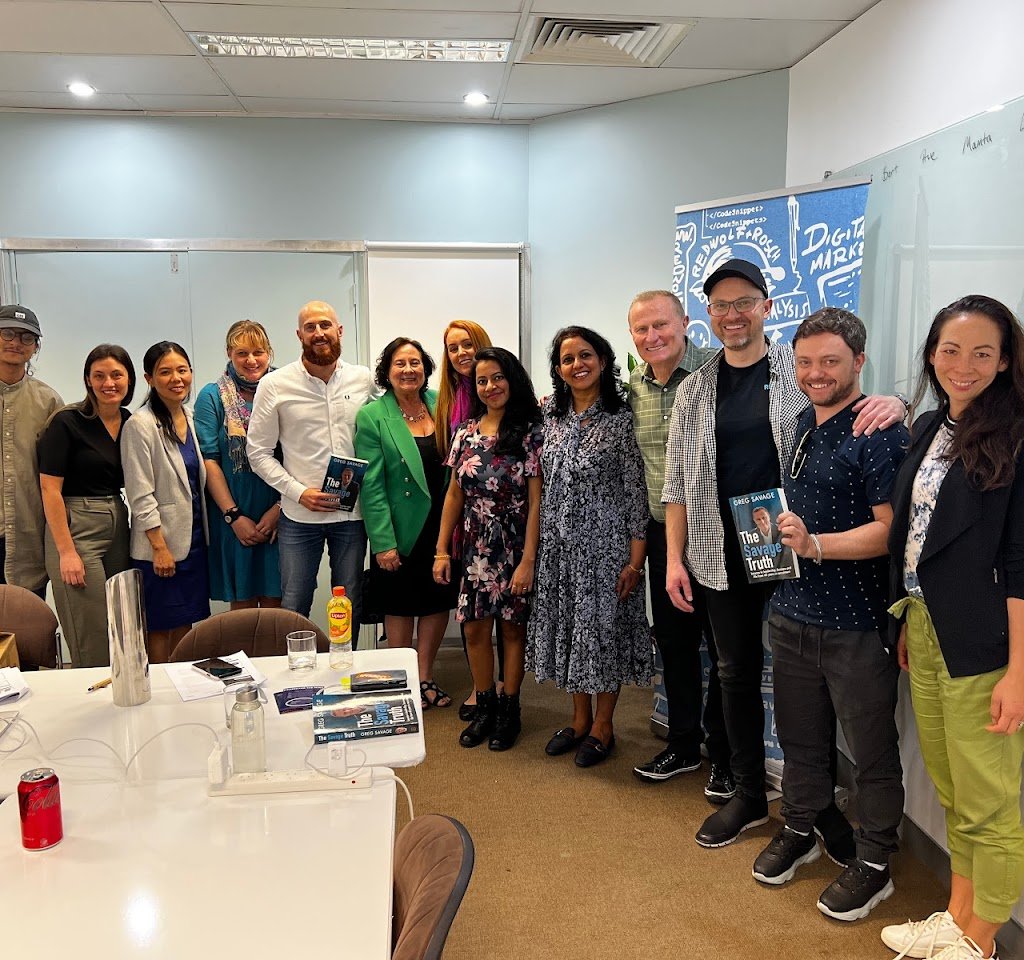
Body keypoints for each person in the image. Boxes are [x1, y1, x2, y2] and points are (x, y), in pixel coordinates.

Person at [662, 258, 906, 849]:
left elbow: (849, 403)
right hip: (721, 549)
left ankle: (817, 806)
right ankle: (748, 792)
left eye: (744, 302)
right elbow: (675, 483)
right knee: (736, 673)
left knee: (814, 683)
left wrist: (898, 402)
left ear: (765, 307)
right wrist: (672, 559)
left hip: (798, 549)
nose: (732, 314)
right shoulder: (695, 389)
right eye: (720, 305)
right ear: (708, 315)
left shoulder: (797, 372)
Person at [750, 309, 907, 923]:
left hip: (856, 626)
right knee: (801, 740)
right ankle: (801, 826)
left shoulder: (878, 431)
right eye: (806, 362)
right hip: (792, 612)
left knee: (872, 753)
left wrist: (816, 544)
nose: (816, 374)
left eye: (831, 362)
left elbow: (890, 531)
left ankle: (875, 862)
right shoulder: (799, 424)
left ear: (859, 362)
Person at [882, 295, 1024, 960]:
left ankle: (982, 940)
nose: (963, 365)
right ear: (932, 354)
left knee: (989, 800)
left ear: (1005, 362)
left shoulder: (1017, 437)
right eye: (950, 350)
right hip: (926, 625)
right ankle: (957, 918)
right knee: (952, 787)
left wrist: (1018, 672)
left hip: (984, 643)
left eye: (982, 353)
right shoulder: (930, 426)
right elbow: (915, 537)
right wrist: (908, 619)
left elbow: (1020, 564)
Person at [527, 326, 650, 768]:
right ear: (558, 369)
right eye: (567, 359)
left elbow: (635, 493)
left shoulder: (621, 418)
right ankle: (579, 720)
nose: (577, 365)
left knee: (602, 635)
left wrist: (635, 562)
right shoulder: (549, 415)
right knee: (572, 632)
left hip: (606, 552)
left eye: (585, 355)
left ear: (602, 360)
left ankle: (603, 725)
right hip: (559, 551)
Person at [626, 290, 732, 799]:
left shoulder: (720, 372)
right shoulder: (633, 389)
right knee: (675, 643)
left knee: (726, 649)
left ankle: (725, 754)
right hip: (661, 535)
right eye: (641, 329)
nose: (652, 337)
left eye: (661, 325)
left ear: (686, 322)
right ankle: (684, 744)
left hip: (717, 534)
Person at [433, 347, 543, 750]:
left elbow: (537, 502)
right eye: (482, 380)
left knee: (512, 630)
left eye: (498, 377)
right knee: (475, 628)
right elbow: (454, 495)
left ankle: (509, 709)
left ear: (512, 379)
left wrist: (528, 560)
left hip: (514, 544)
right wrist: (441, 550)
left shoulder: (531, 431)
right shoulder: (465, 432)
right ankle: (484, 706)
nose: (490, 386)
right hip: (475, 546)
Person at [247, 301, 376, 632]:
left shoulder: (364, 380)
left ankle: (343, 660)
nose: (319, 333)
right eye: (310, 327)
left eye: (325, 325)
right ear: (299, 335)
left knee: (350, 601)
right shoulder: (275, 385)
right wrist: (299, 492)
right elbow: (257, 453)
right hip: (299, 517)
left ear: (339, 330)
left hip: (352, 515)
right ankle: (298, 664)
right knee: (294, 602)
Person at [355, 338, 458, 709]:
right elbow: (371, 485)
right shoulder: (372, 415)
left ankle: (425, 676)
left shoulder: (442, 405)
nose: (408, 370)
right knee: (398, 604)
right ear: (387, 371)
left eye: (415, 363)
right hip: (399, 528)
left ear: (425, 369)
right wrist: (383, 542)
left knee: (435, 601)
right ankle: (401, 681)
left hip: (442, 526)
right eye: (400, 363)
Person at [38, 345, 135, 668]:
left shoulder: (130, 422)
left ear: (130, 379)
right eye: (99, 376)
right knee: (91, 634)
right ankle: (92, 694)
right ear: (88, 380)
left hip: (118, 522)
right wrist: (66, 552)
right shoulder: (67, 422)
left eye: (117, 375)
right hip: (76, 526)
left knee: (122, 625)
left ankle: (124, 693)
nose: (109, 383)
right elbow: (50, 489)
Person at [121, 342, 210, 663]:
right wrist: (159, 547)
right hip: (159, 546)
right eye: (165, 372)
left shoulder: (192, 416)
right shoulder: (140, 425)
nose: (176, 378)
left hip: (193, 541)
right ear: (149, 378)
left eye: (182, 370)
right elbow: (140, 494)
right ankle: (159, 685)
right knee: (159, 626)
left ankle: (182, 682)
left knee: (185, 622)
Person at [436, 319, 503, 720]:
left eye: (467, 344)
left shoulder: (499, 388)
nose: (461, 353)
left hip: (505, 521)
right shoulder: (447, 400)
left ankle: (503, 689)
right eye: (453, 348)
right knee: (472, 609)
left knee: (507, 614)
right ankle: (482, 688)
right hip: (467, 518)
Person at [195, 320, 282, 610]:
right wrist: (234, 516)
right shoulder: (212, 396)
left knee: (276, 609)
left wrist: (280, 510)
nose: (251, 360)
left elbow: (302, 453)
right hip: (233, 517)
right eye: (242, 353)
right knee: (241, 612)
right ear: (229, 353)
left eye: (258, 352)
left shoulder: (286, 389)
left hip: (280, 514)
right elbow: (209, 460)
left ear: (269, 352)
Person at [0, 304, 61, 596]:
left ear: (35, 347)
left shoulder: (49, 402)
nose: (16, 342)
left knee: (27, 620)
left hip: (28, 538)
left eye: (26, 337)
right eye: (7, 333)